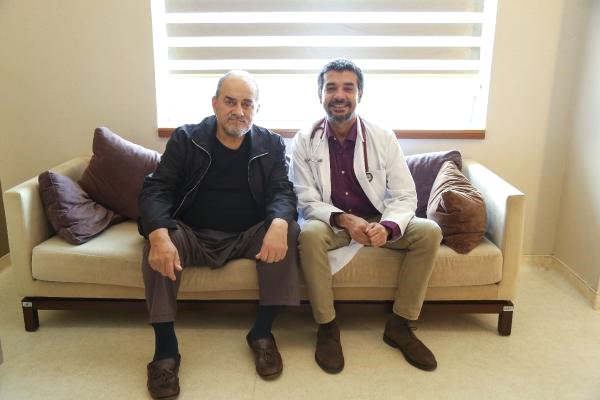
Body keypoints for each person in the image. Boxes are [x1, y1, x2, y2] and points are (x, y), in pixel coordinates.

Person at [138, 70, 300, 399]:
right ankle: (165, 350)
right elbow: (157, 189)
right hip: (192, 234)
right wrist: (157, 233)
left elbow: (282, 191)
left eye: (247, 104)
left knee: (289, 229)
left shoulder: (270, 144)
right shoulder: (186, 138)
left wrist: (280, 223)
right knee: (159, 239)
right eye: (230, 102)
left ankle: (261, 332)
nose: (238, 111)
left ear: (256, 109)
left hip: (246, 235)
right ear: (214, 104)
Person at [290, 59, 442, 374]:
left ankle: (400, 325)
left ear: (360, 94)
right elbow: (305, 199)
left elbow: (405, 195)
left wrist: (387, 227)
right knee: (309, 235)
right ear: (320, 94)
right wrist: (345, 220)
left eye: (348, 88)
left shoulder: (382, 136)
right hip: (333, 222)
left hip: (377, 217)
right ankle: (327, 327)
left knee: (429, 232)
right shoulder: (305, 139)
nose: (339, 95)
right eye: (331, 87)